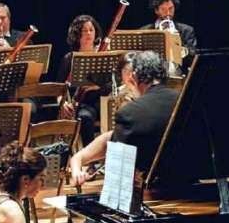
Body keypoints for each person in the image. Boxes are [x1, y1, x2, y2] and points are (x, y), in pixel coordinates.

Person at [69, 50, 178, 185]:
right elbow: (112, 137)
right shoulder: (184, 100)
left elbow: (118, 175)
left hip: (156, 190)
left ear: (134, 76)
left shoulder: (130, 112)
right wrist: (78, 158)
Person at [57, 15, 110, 145]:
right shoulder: (69, 58)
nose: (89, 33)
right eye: (84, 30)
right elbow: (59, 87)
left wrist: (98, 87)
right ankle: (88, 154)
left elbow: (113, 83)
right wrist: (62, 102)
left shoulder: (103, 56)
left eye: (91, 30)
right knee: (85, 117)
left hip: (102, 101)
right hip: (81, 104)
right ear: (77, 34)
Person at [141, 0, 197, 74]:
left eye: (171, 9)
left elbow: (193, 54)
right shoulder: (145, 31)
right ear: (156, 10)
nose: (168, 13)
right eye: (163, 9)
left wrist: (183, 50)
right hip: (154, 77)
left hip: (179, 75)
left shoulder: (186, 30)